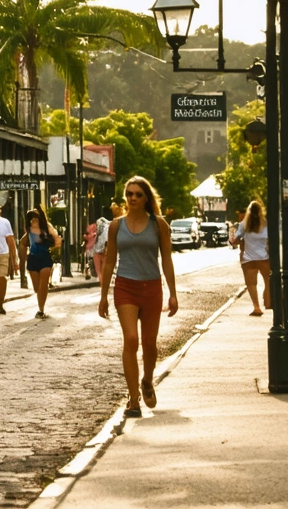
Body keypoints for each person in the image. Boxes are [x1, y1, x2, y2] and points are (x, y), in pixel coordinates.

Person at [98, 176, 178, 418]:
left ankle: (147, 380)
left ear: (146, 198)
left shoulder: (159, 225)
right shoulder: (115, 226)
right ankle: (133, 400)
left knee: (150, 345)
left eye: (138, 194)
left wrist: (173, 294)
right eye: (129, 194)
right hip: (125, 287)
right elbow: (110, 260)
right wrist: (103, 296)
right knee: (131, 339)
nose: (133, 198)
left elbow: (166, 259)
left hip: (152, 288)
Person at [236, 200, 271, 316]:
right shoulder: (266, 224)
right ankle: (268, 301)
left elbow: (236, 240)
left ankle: (256, 307)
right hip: (264, 258)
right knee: (267, 281)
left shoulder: (243, 225)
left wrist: (237, 241)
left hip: (248, 259)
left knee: (251, 284)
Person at [24, 207, 60, 318]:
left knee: (43, 286)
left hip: (45, 258)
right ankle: (41, 305)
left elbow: (57, 238)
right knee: (36, 288)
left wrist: (54, 248)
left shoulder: (47, 228)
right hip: (33, 259)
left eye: (36, 218)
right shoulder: (28, 229)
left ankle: (41, 309)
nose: (34, 221)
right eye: (32, 219)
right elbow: (24, 241)